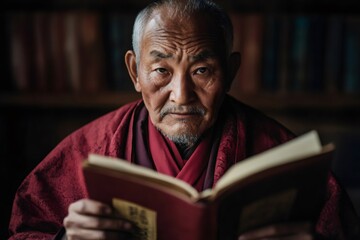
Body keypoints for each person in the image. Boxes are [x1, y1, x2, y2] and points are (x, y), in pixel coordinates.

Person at [8, 0, 360, 239]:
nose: (181, 95)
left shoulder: (281, 153)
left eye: (202, 70)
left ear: (232, 71)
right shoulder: (86, 151)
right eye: (161, 70)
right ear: (135, 71)